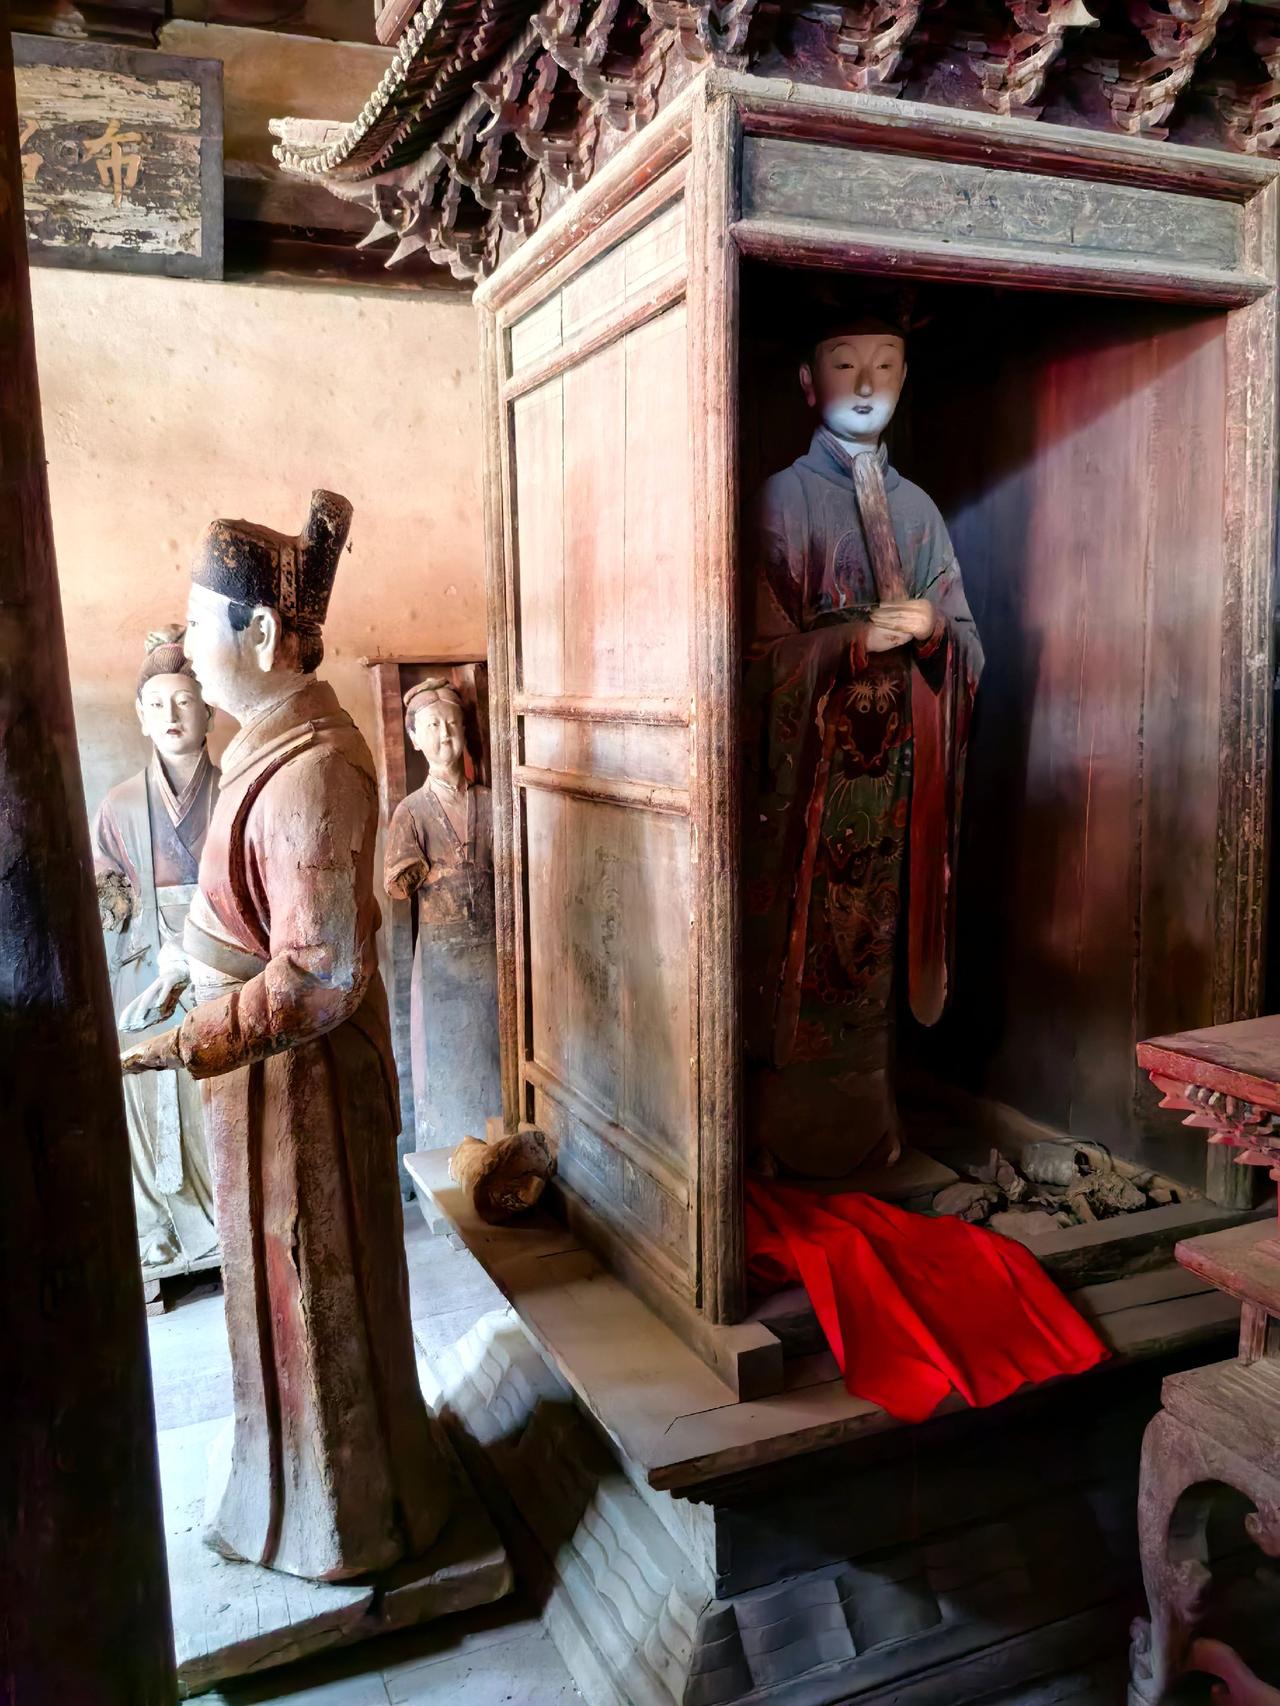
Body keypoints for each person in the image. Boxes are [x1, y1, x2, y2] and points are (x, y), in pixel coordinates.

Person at [122, 490, 450, 1581]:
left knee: (318, 1292)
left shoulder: (314, 768)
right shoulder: (267, 744)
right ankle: (282, 1497)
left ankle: (346, 1514)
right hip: (262, 1085)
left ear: (260, 633)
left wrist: (187, 1040)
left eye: (198, 622)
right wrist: (188, 972)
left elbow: (315, 977)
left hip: (303, 1090)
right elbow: (245, 917)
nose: (185, 648)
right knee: (270, 1297)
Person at [744, 304, 983, 1179]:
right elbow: (753, 654)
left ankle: (869, 1132)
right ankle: (784, 1138)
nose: (867, 383)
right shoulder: (782, 499)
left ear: (906, 378)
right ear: (809, 383)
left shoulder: (918, 510)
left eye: (886, 364)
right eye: (846, 364)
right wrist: (849, 642)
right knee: (805, 953)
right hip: (810, 782)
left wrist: (934, 633)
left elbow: (968, 645)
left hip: (892, 788)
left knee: (873, 950)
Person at [93, 628, 219, 1269]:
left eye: (185, 700)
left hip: (222, 957)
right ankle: (158, 1224)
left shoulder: (236, 790)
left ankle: (230, 1209)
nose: (172, 714)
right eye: (157, 704)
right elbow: (108, 895)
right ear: (141, 716)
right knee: (142, 1081)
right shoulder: (117, 805)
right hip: (146, 963)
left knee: (222, 1077)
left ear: (209, 710)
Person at [384, 678, 501, 1149]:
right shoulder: (411, 811)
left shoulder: (490, 802)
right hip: (440, 964)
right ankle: (446, 1161)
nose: (444, 735)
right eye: (431, 726)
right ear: (414, 738)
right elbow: (397, 881)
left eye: (451, 723)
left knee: (494, 1055)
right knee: (444, 1056)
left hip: (493, 952)